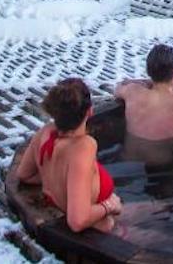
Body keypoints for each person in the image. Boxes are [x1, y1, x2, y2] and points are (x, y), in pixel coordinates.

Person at [16, 78, 122, 233]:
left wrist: (53, 180)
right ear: (89, 111)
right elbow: (77, 221)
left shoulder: (45, 133)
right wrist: (110, 206)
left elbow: (23, 175)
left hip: (75, 214)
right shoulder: (83, 147)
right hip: (102, 233)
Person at [115, 44, 173, 141]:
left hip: (135, 154)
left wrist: (144, 83)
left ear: (148, 72)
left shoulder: (133, 92)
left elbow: (118, 87)